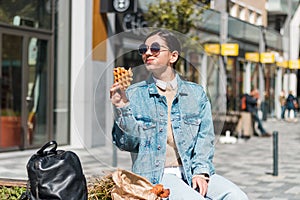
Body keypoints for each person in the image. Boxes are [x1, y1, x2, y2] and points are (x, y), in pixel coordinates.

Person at [110, 29, 248, 199]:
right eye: (143, 49)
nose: (147, 53)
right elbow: (127, 144)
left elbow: (204, 138)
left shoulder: (196, 94)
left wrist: (201, 172)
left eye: (155, 49)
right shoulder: (134, 94)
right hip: (157, 175)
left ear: (173, 56)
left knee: (236, 196)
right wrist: (122, 108)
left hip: (193, 171)